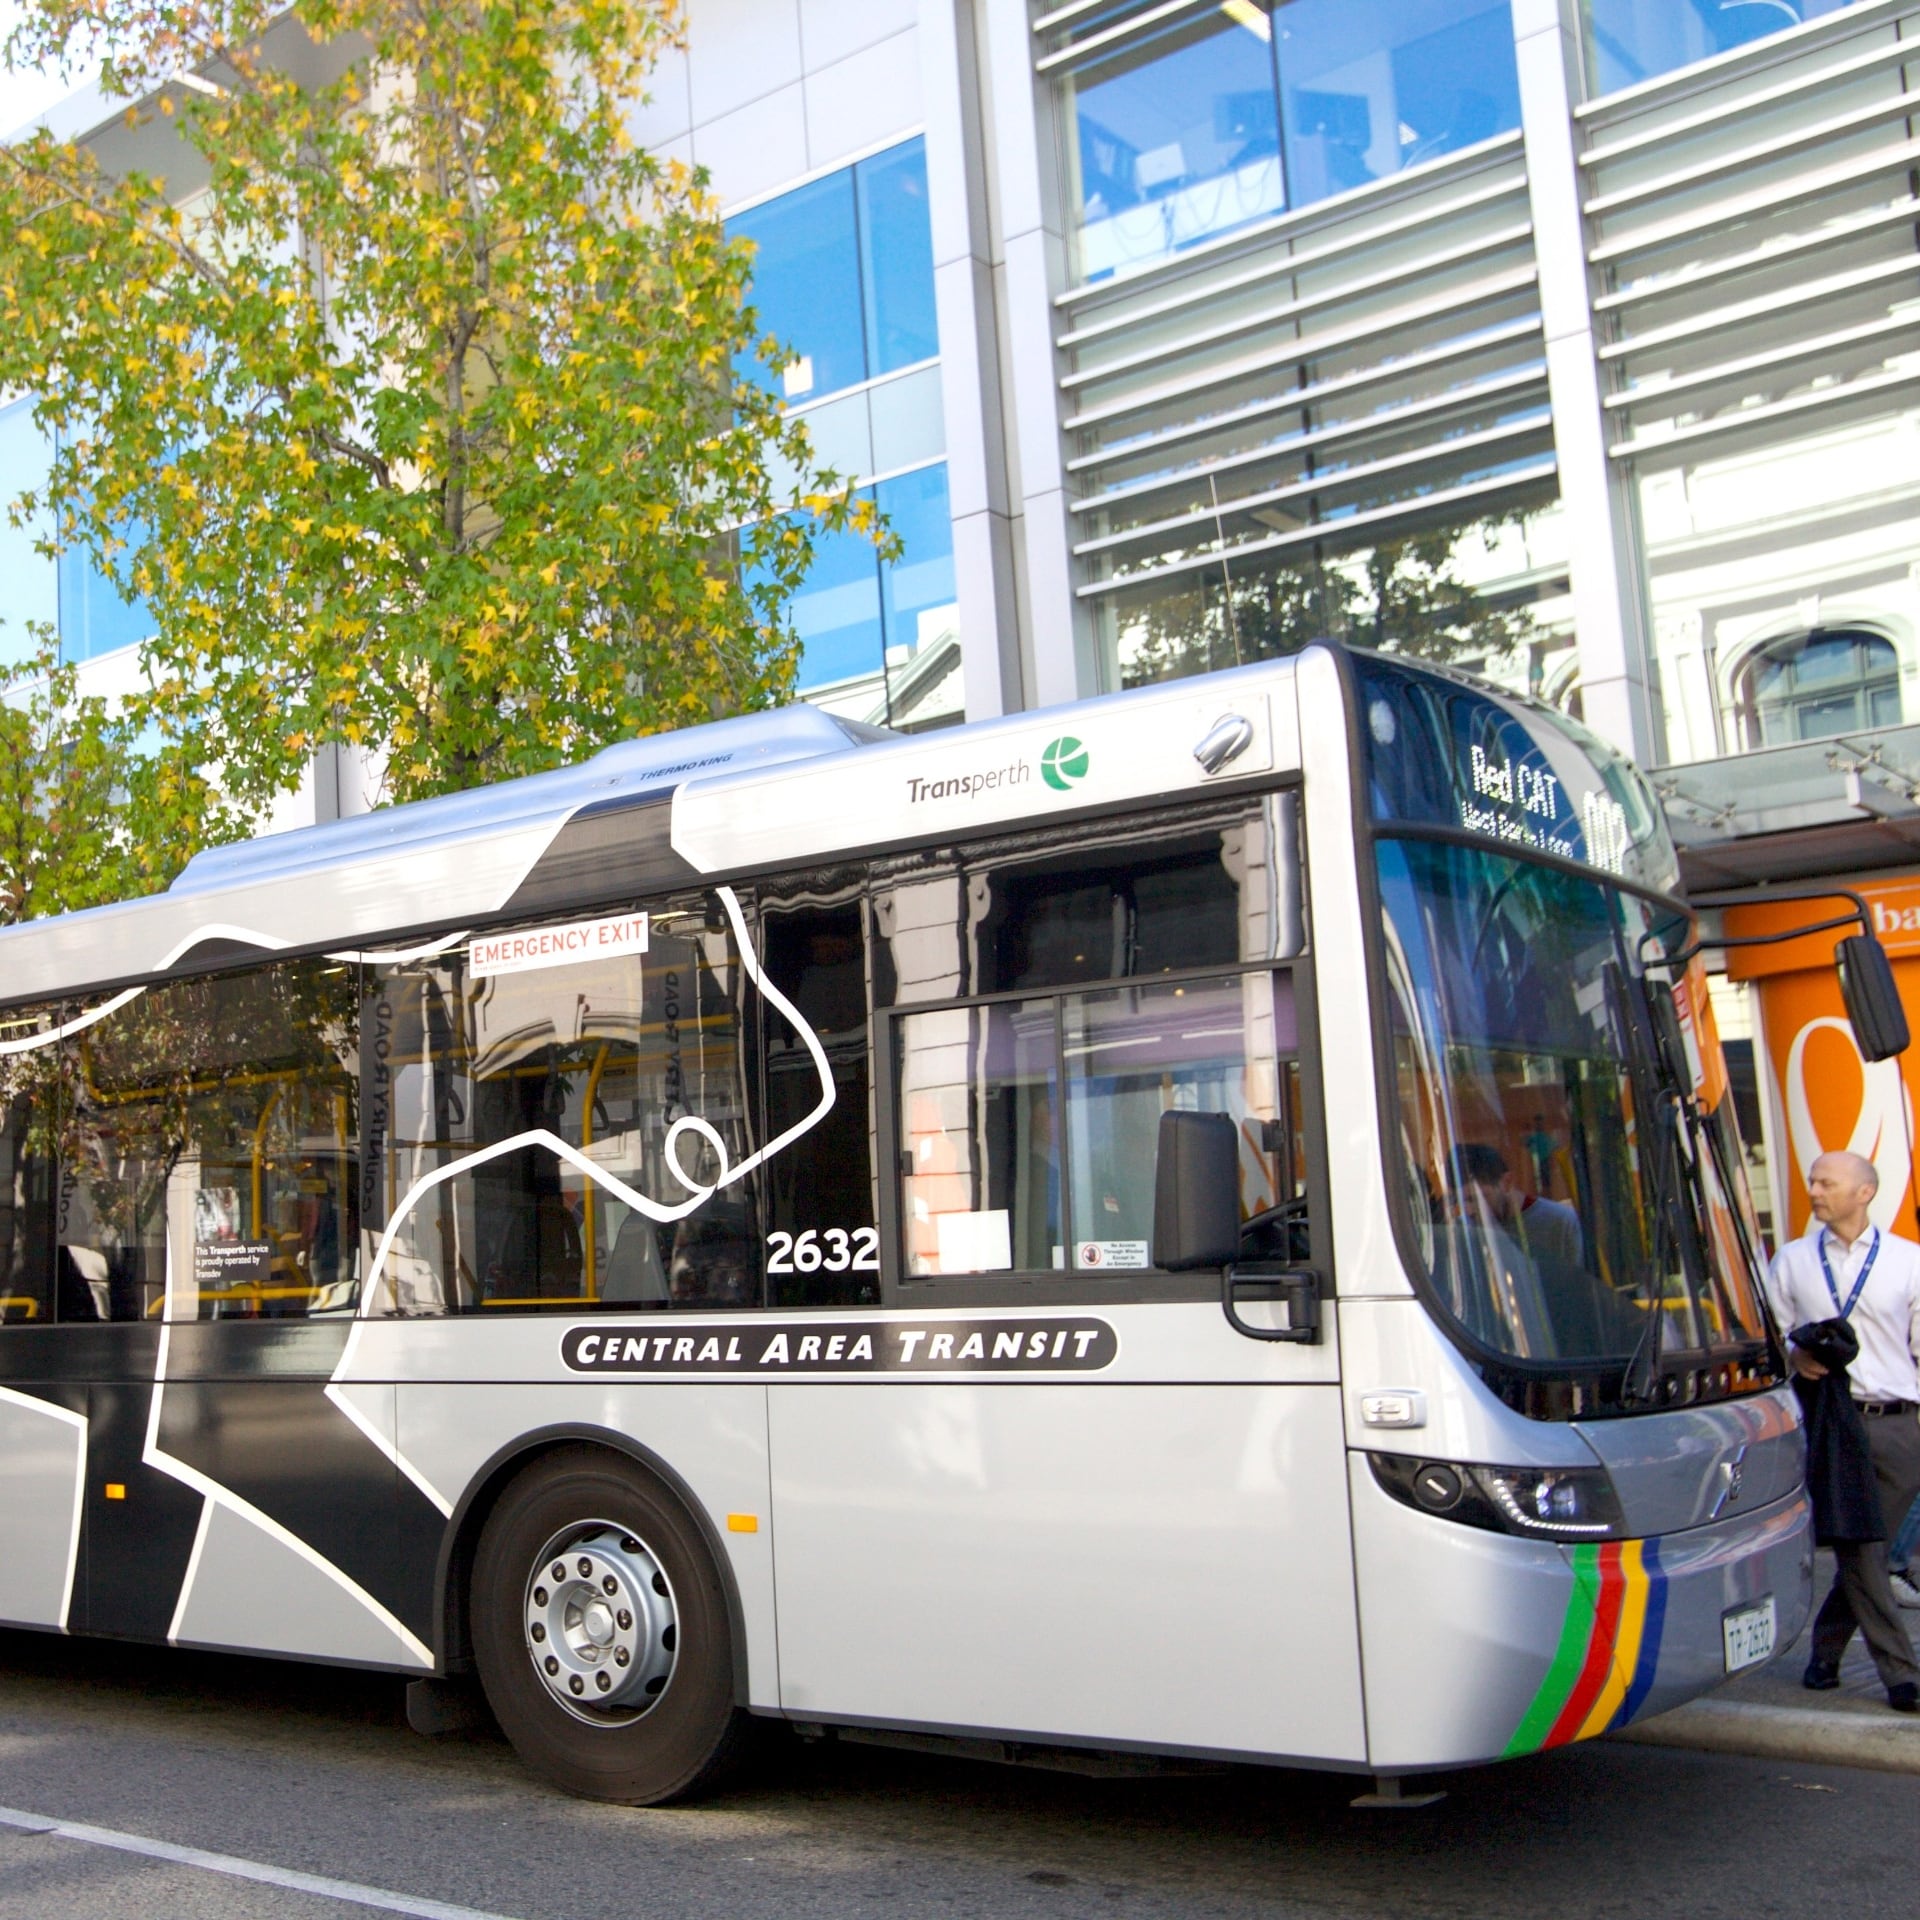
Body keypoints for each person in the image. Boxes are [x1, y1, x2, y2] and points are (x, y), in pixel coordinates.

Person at [1766, 1150, 1920, 1712]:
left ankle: (1825, 1655)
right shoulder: (1791, 1260)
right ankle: (1902, 1675)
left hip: (1900, 1427)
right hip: (1832, 1422)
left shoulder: (1908, 1262)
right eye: (1811, 1179)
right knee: (1862, 1549)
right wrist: (1795, 1352)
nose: (1815, 1189)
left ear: (1864, 1192)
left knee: (1867, 1552)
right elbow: (1773, 1333)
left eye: (1827, 1181)